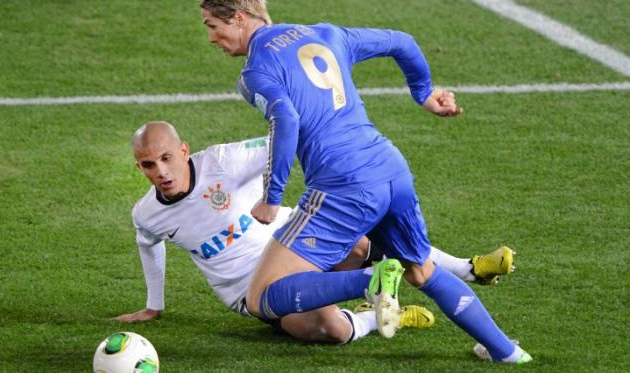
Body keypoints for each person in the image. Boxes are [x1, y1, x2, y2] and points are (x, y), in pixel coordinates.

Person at [199, 0, 531, 363]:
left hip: (343, 184)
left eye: (213, 26)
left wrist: (272, 196)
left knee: (261, 296)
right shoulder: (326, 33)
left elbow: (286, 119)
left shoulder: (256, 71)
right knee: (421, 270)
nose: (212, 38)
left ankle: (371, 281)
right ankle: (507, 352)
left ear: (241, 18)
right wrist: (423, 92)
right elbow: (401, 41)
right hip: (391, 168)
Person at [115, 121, 514, 345]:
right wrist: (154, 305)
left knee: (361, 239)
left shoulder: (224, 161)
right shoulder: (148, 214)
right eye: (149, 165)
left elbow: (285, 139)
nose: (161, 172)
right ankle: (378, 317)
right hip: (250, 292)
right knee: (334, 332)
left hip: (296, 245)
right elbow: (147, 245)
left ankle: (469, 268)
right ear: (140, 168)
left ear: (184, 150)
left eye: (167, 159)